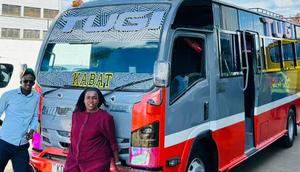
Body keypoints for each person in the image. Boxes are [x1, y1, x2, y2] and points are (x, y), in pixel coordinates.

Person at [64, 87, 120, 172]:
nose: (91, 101)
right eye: (88, 98)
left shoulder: (105, 118)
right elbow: (73, 137)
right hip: (74, 161)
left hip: (96, 163)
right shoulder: (76, 114)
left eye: (94, 98)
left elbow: (113, 142)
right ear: (83, 100)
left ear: (98, 100)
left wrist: (117, 162)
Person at [0, 68, 40, 172]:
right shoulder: (8, 95)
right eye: (25, 81)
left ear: (33, 83)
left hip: (22, 146)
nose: (28, 83)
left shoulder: (36, 97)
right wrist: (4, 125)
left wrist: (32, 130)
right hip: (4, 143)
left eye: (31, 81)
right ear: (20, 81)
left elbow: (35, 117)